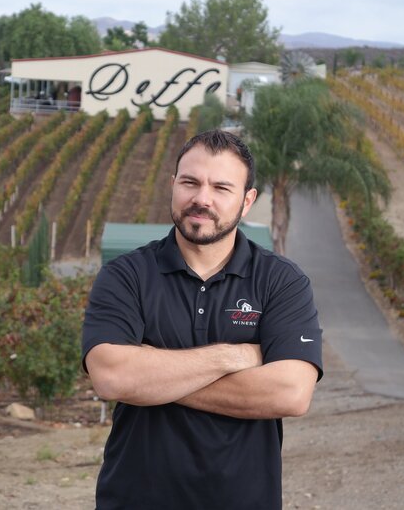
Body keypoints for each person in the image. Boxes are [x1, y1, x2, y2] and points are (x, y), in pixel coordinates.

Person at [82, 129, 323, 509]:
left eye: (221, 188)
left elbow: (290, 393)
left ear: (247, 202)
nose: (201, 199)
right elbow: (112, 377)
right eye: (190, 182)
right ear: (172, 185)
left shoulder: (281, 281)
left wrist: (152, 377)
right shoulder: (126, 275)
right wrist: (233, 357)